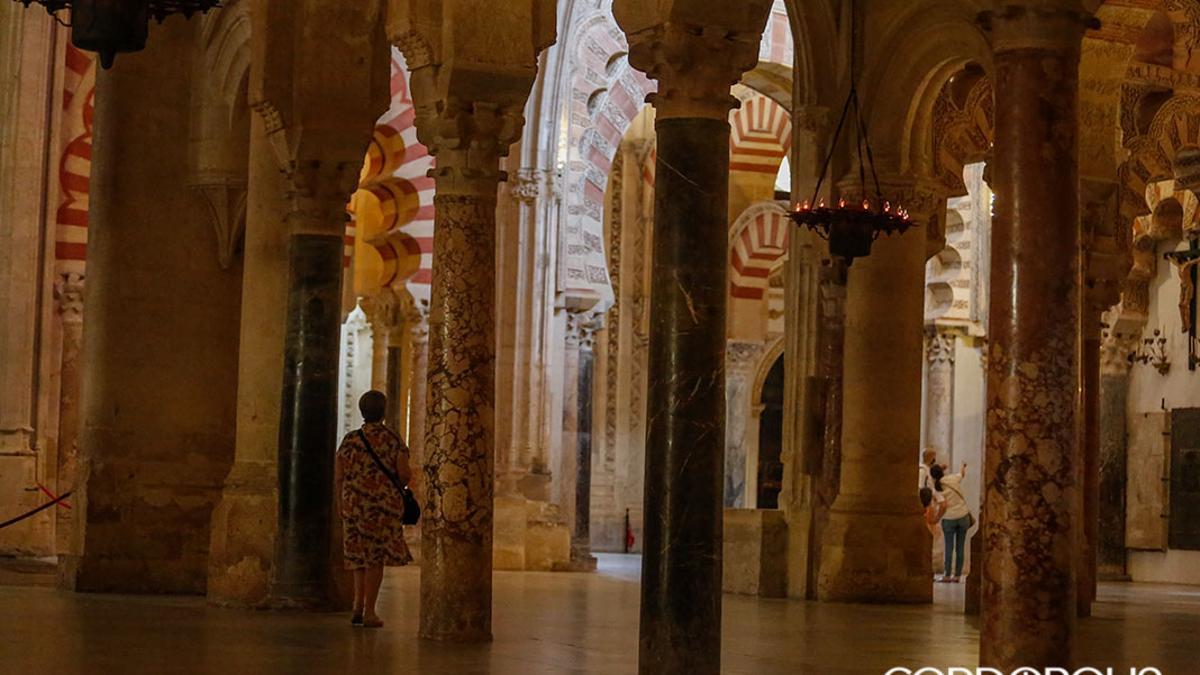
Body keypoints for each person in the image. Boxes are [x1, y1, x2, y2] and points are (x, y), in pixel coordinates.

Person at [335, 390, 414, 628]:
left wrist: (342, 503)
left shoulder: (350, 439)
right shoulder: (392, 439)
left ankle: (357, 605)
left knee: (357, 556)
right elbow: (404, 473)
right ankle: (370, 611)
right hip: (382, 506)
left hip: (354, 504)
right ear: (383, 411)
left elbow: (339, 475)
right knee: (375, 558)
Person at [933, 462, 971, 583]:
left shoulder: (937, 487)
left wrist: (937, 518)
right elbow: (962, 474)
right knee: (960, 547)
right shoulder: (952, 479)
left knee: (949, 547)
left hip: (949, 518)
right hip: (963, 516)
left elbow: (943, 505)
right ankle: (958, 576)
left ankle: (947, 575)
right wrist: (963, 466)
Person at [920, 486, 946, 578]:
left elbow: (930, 519)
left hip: (932, 531)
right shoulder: (931, 507)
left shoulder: (929, 509)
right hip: (935, 532)